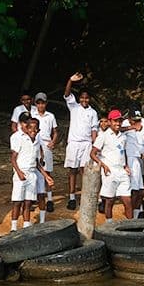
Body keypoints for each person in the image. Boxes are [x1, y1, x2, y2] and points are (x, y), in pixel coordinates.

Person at [62, 72, 99, 211]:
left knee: (85, 170)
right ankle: (72, 197)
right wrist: (70, 80)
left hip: (86, 144)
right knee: (72, 170)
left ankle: (85, 197)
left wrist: (95, 145)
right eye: (82, 98)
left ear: (89, 99)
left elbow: (94, 130)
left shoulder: (93, 112)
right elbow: (66, 94)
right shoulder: (74, 107)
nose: (84, 100)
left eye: (86, 98)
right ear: (79, 98)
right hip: (73, 143)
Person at [9, 114, 53, 231]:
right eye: (30, 128)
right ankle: (13, 226)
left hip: (32, 174)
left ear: (38, 130)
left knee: (28, 202)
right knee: (17, 201)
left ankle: (26, 224)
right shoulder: (21, 139)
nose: (33, 130)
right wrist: (19, 173)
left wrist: (46, 177)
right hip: (21, 173)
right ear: (26, 129)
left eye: (35, 128)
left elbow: (36, 162)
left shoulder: (36, 142)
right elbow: (13, 158)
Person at [92, 110, 133, 220]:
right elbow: (93, 153)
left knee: (128, 201)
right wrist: (103, 165)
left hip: (122, 171)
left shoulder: (123, 137)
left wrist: (126, 166)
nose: (118, 123)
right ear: (110, 121)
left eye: (119, 121)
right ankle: (109, 225)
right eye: (115, 121)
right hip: (110, 171)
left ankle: (132, 227)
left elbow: (123, 152)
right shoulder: (103, 136)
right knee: (110, 200)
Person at [120, 107, 144, 218]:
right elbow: (118, 130)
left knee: (141, 190)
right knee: (134, 189)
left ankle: (136, 214)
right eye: (135, 120)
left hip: (139, 159)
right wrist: (132, 127)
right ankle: (131, 216)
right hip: (130, 159)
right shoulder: (126, 126)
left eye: (139, 119)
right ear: (129, 119)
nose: (138, 122)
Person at [31, 92, 59, 220]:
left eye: (43, 103)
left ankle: (49, 199)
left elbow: (55, 132)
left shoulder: (50, 116)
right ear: (35, 103)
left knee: (47, 171)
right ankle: (33, 197)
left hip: (46, 144)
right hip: (35, 143)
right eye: (38, 103)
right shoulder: (32, 115)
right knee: (34, 170)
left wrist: (53, 142)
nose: (41, 105)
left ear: (46, 103)